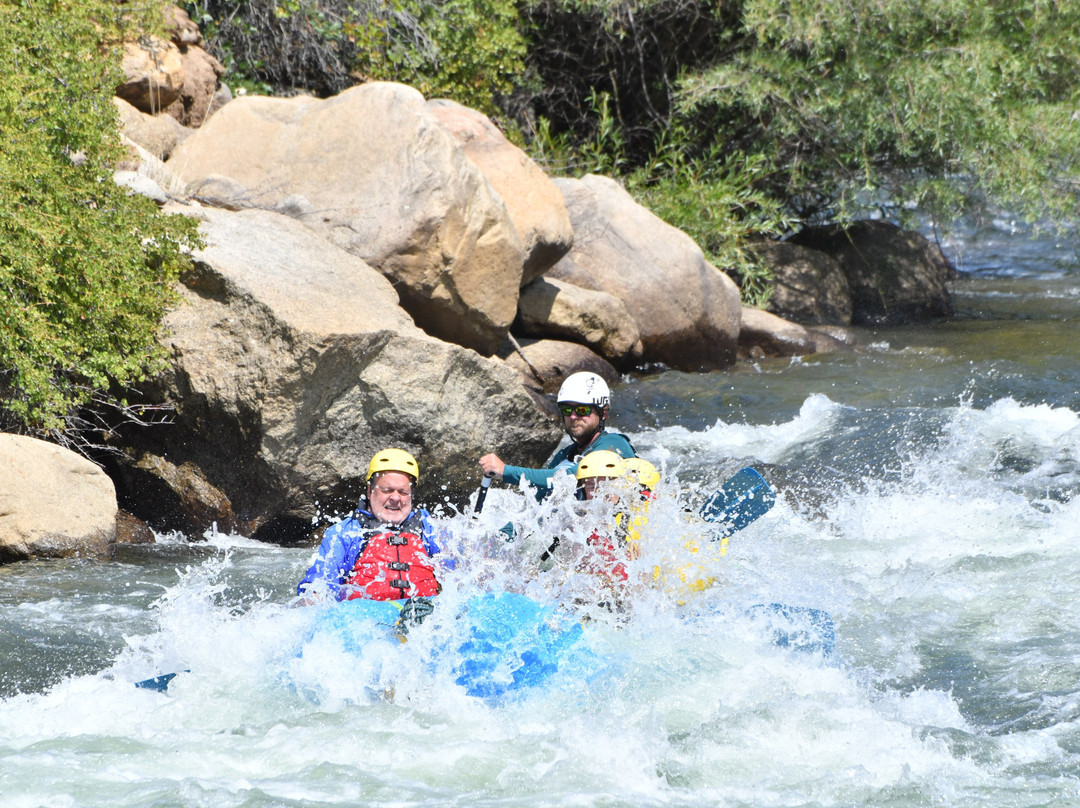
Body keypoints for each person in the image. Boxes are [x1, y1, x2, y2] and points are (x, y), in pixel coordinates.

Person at [297, 449, 451, 619]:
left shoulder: (430, 529)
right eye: (387, 490)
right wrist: (312, 603)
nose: (395, 498)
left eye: (403, 492)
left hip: (425, 622)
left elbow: (458, 579)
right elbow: (319, 587)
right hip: (367, 625)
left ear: (411, 494)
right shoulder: (344, 534)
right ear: (370, 491)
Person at [478, 371, 636, 499]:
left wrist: (506, 471)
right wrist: (502, 537)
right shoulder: (564, 456)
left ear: (603, 413)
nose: (573, 416)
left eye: (582, 410)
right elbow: (537, 506)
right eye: (568, 410)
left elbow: (566, 478)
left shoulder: (614, 444)